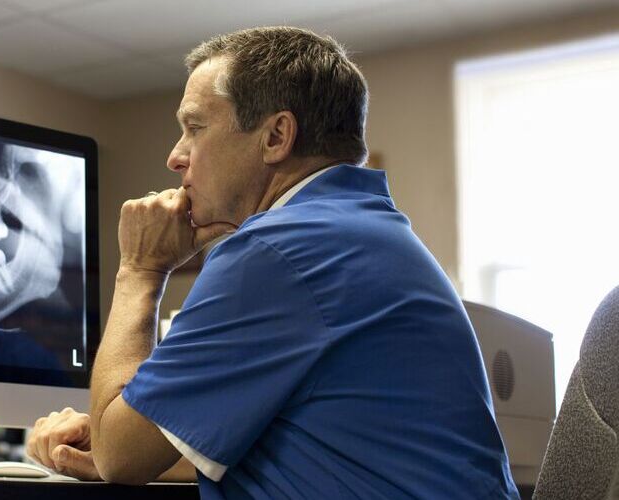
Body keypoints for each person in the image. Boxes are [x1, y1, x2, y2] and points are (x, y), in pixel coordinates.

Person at [26, 26, 519, 499]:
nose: (176, 157)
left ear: (276, 136)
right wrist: (146, 438)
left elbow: (119, 458)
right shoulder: (359, 230)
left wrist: (140, 269)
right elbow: (292, 444)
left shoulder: (277, 251)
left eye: (195, 128)